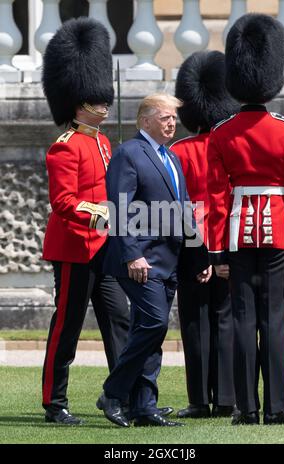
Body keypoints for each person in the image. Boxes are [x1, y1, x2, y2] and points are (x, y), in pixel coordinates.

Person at [207, 13, 284, 425]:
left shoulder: (221, 133)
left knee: (244, 320)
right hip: (278, 231)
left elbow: (214, 197)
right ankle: (278, 406)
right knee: (274, 319)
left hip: (237, 234)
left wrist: (215, 253)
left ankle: (247, 408)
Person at [97, 93, 211, 427]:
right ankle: (113, 393)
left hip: (169, 259)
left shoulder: (171, 158)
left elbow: (185, 210)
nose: (172, 123)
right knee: (154, 323)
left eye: (174, 118)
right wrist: (132, 255)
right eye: (165, 118)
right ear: (145, 120)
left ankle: (144, 405)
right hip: (140, 260)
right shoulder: (128, 154)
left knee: (150, 332)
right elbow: (118, 207)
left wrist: (198, 256)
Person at [41, 17, 130, 425]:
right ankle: (55, 403)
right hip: (75, 248)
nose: (105, 105)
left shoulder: (104, 141)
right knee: (67, 327)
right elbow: (63, 202)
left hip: (103, 247)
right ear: (80, 102)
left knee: (119, 320)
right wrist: (102, 213)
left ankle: (123, 395)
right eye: (98, 100)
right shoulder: (65, 147)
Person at [170, 51, 238, 419]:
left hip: (191, 250)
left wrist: (200, 255)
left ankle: (199, 399)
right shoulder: (231, 145)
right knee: (225, 319)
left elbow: (182, 209)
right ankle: (226, 397)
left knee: (195, 323)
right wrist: (222, 255)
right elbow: (229, 205)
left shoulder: (177, 151)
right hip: (228, 248)